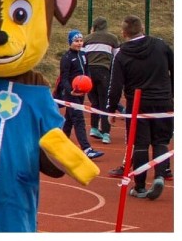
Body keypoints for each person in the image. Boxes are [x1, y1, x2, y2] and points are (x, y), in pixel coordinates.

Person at [106, 15, 173, 200]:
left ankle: (141, 186)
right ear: (142, 28)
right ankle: (159, 175)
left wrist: (110, 109)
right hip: (163, 101)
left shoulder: (121, 53)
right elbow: (175, 69)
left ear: (124, 32)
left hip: (139, 104)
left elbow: (115, 84)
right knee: (161, 141)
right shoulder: (161, 45)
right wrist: (172, 93)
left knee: (140, 144)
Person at [58, 30, 104, 160]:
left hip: (81, 92)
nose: (79, 43)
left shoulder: (84, 55)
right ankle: (86, 149)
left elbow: (87, 70)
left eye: (80, 41)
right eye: (76, 41)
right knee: (78, 119)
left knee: (69, 119)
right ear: (70, 42)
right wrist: (70, 90)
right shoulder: (66, 58)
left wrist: (88, 83)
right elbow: (64, 78)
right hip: (71, 94)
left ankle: (60, 145)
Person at [82, 17, 118, 143]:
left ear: (94, 27)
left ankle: (93, 127)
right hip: (104, 72)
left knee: (94, 102)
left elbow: (83, 57)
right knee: (105, 103)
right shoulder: (112, 38)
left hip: (89, 73)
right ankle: (106, 133)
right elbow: (117, 57)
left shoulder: (87, 39)